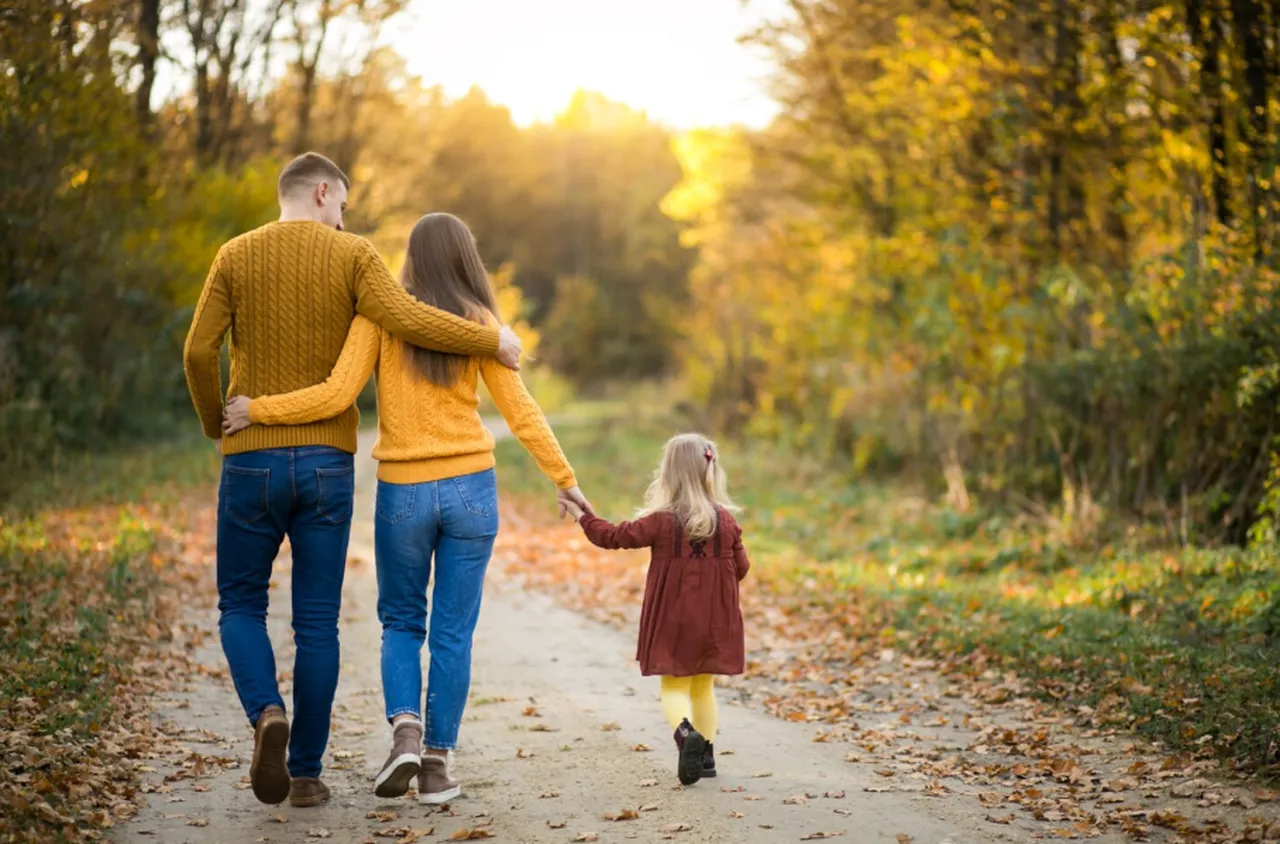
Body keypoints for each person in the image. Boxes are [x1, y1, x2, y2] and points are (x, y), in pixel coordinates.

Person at [182, 153, 524, 810]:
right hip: (326, 465)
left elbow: (198, 352)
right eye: (340, 203)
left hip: (250, 457)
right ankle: (306, 772)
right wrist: (491, 339)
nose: (343, 217)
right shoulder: (354, 256)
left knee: (241, 605)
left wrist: (214, 425)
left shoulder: (233, 254)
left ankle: (265, 714)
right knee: (316, 622)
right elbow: (412, 319)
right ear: (320, 192)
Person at [221, 212, 591, 804]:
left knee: (401, 622)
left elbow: (337, 395)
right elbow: (521, 411)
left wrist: (257, 409)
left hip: (404, 493)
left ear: (410, 261)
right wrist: (564, 479)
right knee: (453, 633)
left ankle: (406, 734)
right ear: (466, 260)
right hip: (472, 488)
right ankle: (438, 766)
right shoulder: (480, 325)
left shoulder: (380, 318)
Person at [560, 434, 749, 786]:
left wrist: (581, 515)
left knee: (674, 688)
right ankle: (706, 756)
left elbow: (612, 537)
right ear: (711, 470)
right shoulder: (727, 522)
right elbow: (742, 568)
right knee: (703, 687)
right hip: (714, 620)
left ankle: (684, 734)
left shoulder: (661, 521)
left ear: (669, 473)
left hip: (674, 616)